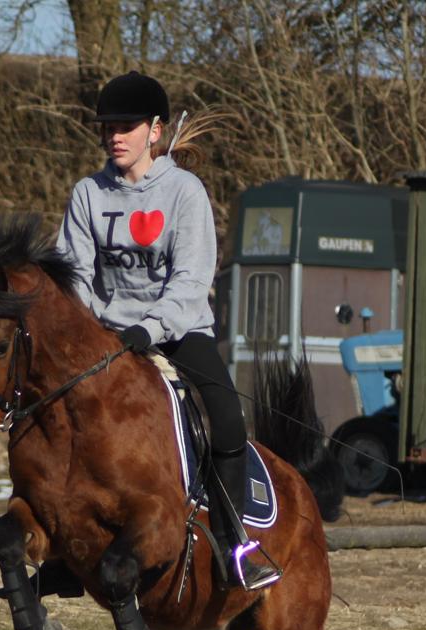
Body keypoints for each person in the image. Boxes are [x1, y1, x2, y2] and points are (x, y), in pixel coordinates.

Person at [57, 70, 281, 591]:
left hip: (179, 330)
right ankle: (63, 546)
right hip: (107, 337)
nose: (114, 135)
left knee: (227, 417)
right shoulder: (88, 193)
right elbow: (73, 273)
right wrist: (91, 328)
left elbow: (192, 280)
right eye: (108, 126)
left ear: (155, 131)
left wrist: (149, 328)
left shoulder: (184, 191)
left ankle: (234, 546)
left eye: (126, 126)